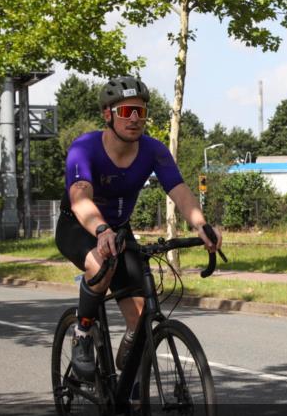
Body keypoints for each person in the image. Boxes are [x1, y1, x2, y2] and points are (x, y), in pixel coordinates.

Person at [56, 76, 221, 379]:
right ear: (108, 115)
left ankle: (132, 385)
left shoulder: (153, 150)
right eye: (126, 111)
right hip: (79, 226)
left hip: (118, 229)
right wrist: (101, 229)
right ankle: (82, 333)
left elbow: (180, 191)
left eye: (140, 112)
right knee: (100, 264)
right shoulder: (85, 147)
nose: (134, 119)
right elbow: (80, 196)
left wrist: (201, 224)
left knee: (143, 314)